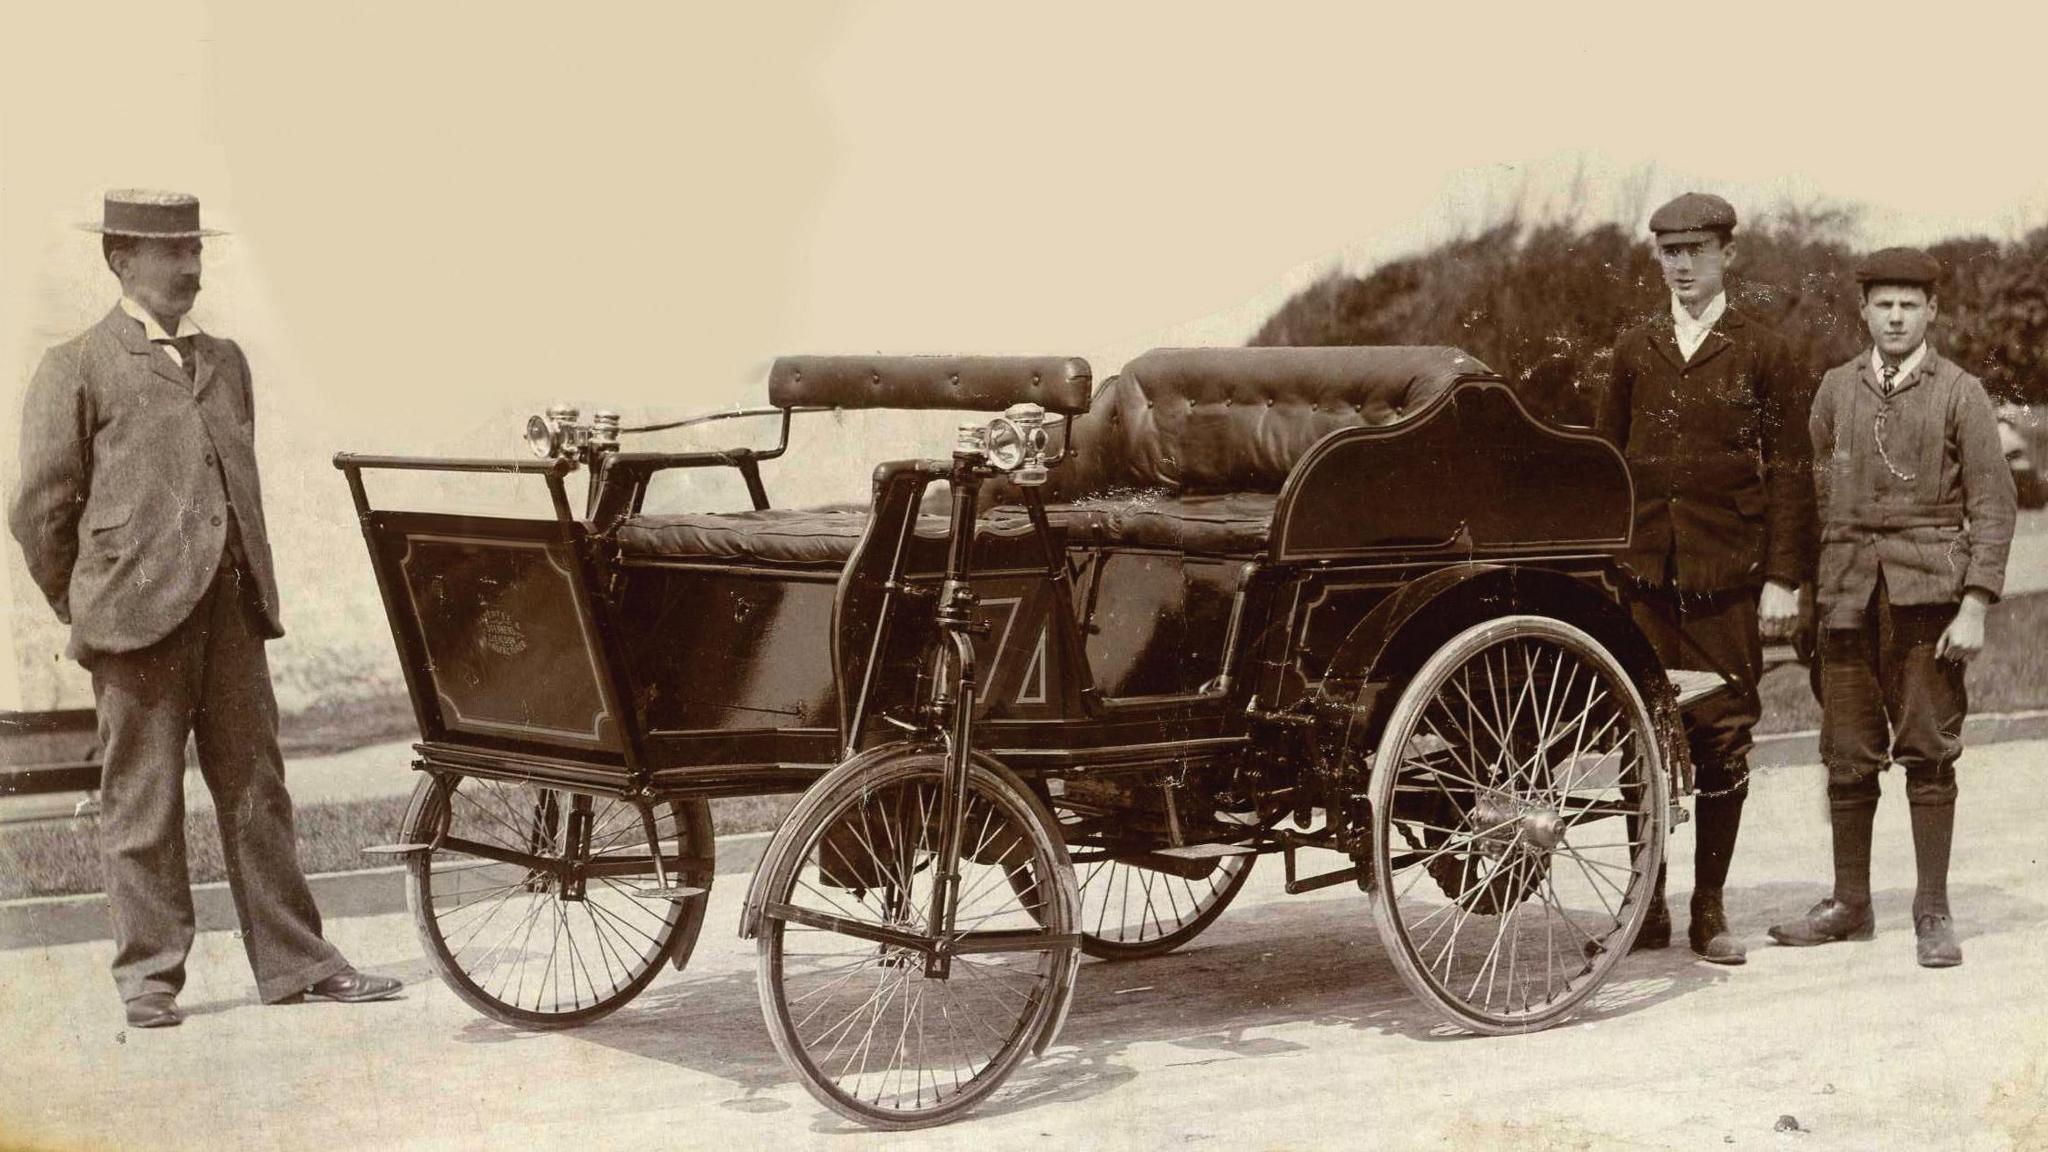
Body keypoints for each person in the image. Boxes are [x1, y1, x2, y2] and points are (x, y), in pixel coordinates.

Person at [8, 190, 401, 1028]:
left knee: (259, 791)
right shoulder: (76, 365)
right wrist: (89, 601)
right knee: (141, 804)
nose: (189, 267)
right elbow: (39, 512)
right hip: (133, 626)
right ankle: (149, 978)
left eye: (195, 249)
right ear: (120, 259)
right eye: (168, 252)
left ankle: (296, 961)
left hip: (230, 616)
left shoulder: (226, 360)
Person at [1767, 247, 2015, 967]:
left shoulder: (1961, 392)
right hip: (1845, 594)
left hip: (1927, 598)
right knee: (1845, 754)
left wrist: (1974, 604)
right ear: (1864, 311)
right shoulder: (1835, 390)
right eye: (1884, 304)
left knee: (1928, 750)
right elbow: (1809, 497)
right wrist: (1802, 591)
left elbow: (1993, 507)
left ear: (1933, 311)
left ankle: (1931, 910)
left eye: (1911, 303)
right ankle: (1851, 903)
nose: (1897, 316)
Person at [1596, 192, 1816, 965]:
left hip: (1728, 576)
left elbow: (1792, 474)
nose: (1681, 265)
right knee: (1636, 737)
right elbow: (1607, 462)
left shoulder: (1767, 349)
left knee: (1721, 740)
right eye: (1668, 252)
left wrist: (1785, 579)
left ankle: (1708, 910)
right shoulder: (1634, 347)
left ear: (1727, 254)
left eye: (1695, 251)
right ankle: (1644, 905)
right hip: (1644, 578)